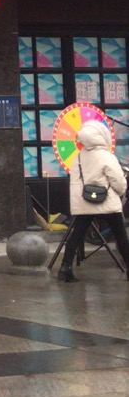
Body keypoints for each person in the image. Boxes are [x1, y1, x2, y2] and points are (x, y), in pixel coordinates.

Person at [60, 120, 129, 283]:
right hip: (107, 202)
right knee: (120, 235)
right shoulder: (107, 156)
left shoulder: (77, 158)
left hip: (85, 203)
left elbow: (75, 183)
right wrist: (121, 192)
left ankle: (65, 267)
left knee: (76, 234)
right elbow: (118, 182)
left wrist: (79, 204)